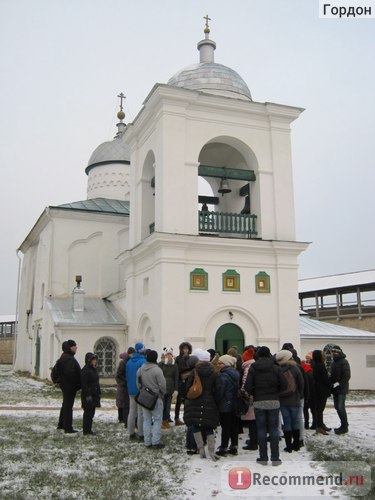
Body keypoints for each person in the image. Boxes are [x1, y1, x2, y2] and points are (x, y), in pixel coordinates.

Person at [245, 346, 287, 466]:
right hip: (274, 401)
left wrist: (255, 393)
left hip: (259, 401)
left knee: (261, 430)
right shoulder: (276, 367)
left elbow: (248, 386)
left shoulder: (254, 367)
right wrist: (276, 392)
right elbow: (284, 385)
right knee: (274, 430)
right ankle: (275, 458)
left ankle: (263, 457)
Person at [184, 348, 220, 461]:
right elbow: (217, 389)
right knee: (209, 426)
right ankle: (211, 450)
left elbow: (188, 387)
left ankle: (200, 449)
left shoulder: (195, 372)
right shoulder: (214, 372)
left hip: (195, 401)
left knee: (196, 425)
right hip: (210, 401)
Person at [275, 349, 304, 453]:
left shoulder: (278, 370)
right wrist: (299, 395)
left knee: (286, 422)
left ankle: (288, 446)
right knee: (295, 421)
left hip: (283, 400)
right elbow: (301, 383)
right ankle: (296, 444)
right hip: (295, 400)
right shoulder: (295, 369)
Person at [137, 350, 167, 448]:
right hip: (156, 397)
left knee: (146, 420)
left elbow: (138, 383)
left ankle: (147, 442)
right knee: (158, 420)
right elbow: (163, 385)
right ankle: (155, 442)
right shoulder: (157, 370)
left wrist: (142, 391)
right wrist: (162, 393)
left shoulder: (141, 369)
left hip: (144, 398)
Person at [216, 354, 240, 456]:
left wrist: (216, 400)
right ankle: (234, 446)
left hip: (225, 404)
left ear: (225, 364)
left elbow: (220, 391)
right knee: (234, 426)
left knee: (225, 427)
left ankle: (223, 447)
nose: (218, 365)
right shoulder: (236, 373)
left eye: (220, 363)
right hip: (234, 403)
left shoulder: (223, 375)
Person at [57, 339, 81, 434]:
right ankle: (68, 427)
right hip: (69, 386)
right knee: (68, 406)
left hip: (65, 385)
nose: (76, 348)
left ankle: (61, 424)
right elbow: (70, 373)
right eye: (74, 346)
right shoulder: (69, 359)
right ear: (70, 348)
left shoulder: (64, 356)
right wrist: (76, 383)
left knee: (65, 405)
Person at [126, 342, 146, 441]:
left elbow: (127, 376)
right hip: (140, 390)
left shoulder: (129, 362)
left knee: (132, 412)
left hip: (131, 390)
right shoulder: (143, 361)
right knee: (141, 412)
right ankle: (141, 434)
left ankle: (131, 433)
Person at [330, 345, 351, 434]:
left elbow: (346, 376)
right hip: (335, 389)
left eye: (335, 352)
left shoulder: (344, 362)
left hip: (341, 389)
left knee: (340, 407)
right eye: (333, 352)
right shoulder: (334, 362)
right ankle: (342, 425)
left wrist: (338, 384)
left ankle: (345, 426)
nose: (334, 354)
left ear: (339, 352)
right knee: (337, 407)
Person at [240, 347, 257, 451]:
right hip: (256, 396)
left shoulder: (248, 368)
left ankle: (253, 442)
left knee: (252, 421)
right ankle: (255, 440)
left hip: (250, 398)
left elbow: (246, 383)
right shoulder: (254, 366)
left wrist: (243, 393)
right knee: (254, 421)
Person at [311, 350, 331, 435]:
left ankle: (320, 424)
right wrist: (330, 384)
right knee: (320, 408)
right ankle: (319, 426)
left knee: (319, 408)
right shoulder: (320, 365)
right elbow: (324, 378)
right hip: (321, 389)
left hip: (317, 388)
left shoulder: (315, 364)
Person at [81, 352, 101, 435]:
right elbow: (84, 384)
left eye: (95, 359)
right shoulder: (85, 370)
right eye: (93, 360)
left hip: (94, 393)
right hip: (89, 394)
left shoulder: (93, 369)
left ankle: (88, 429)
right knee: (88, 413)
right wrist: (88, 394)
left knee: (91, 412)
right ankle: (86, 430)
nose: (95, 361)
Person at [159, 347, 179, 429]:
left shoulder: (175, 365)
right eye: (167, 354)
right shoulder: (161, 364)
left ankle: (166, 420)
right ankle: (161, 420)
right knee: (161, 406)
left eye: (170, 354)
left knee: (168, 406)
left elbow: (176, 378)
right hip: (162, 388)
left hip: (171, 388)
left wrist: (176, 389)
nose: (169, 356)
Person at [174, 342, 193, 425]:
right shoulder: (178, 358)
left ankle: (186, 417)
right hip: (180, 381)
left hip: (188, 382)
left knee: (187, 401)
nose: (185, 350)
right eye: (184, 349)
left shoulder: (190, 358)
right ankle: (176, 418)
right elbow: (177, 369)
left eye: (187, 349)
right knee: (178, 401)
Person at [115, 347, 134, 425]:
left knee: (126, 404)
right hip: (123, 386)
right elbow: (119, 375)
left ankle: (125, 419)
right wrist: (124, 382)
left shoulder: (130, 362)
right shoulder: (123, 363)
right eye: (132, 354)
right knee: (123, 403)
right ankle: (123, 419)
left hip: (128, 386)